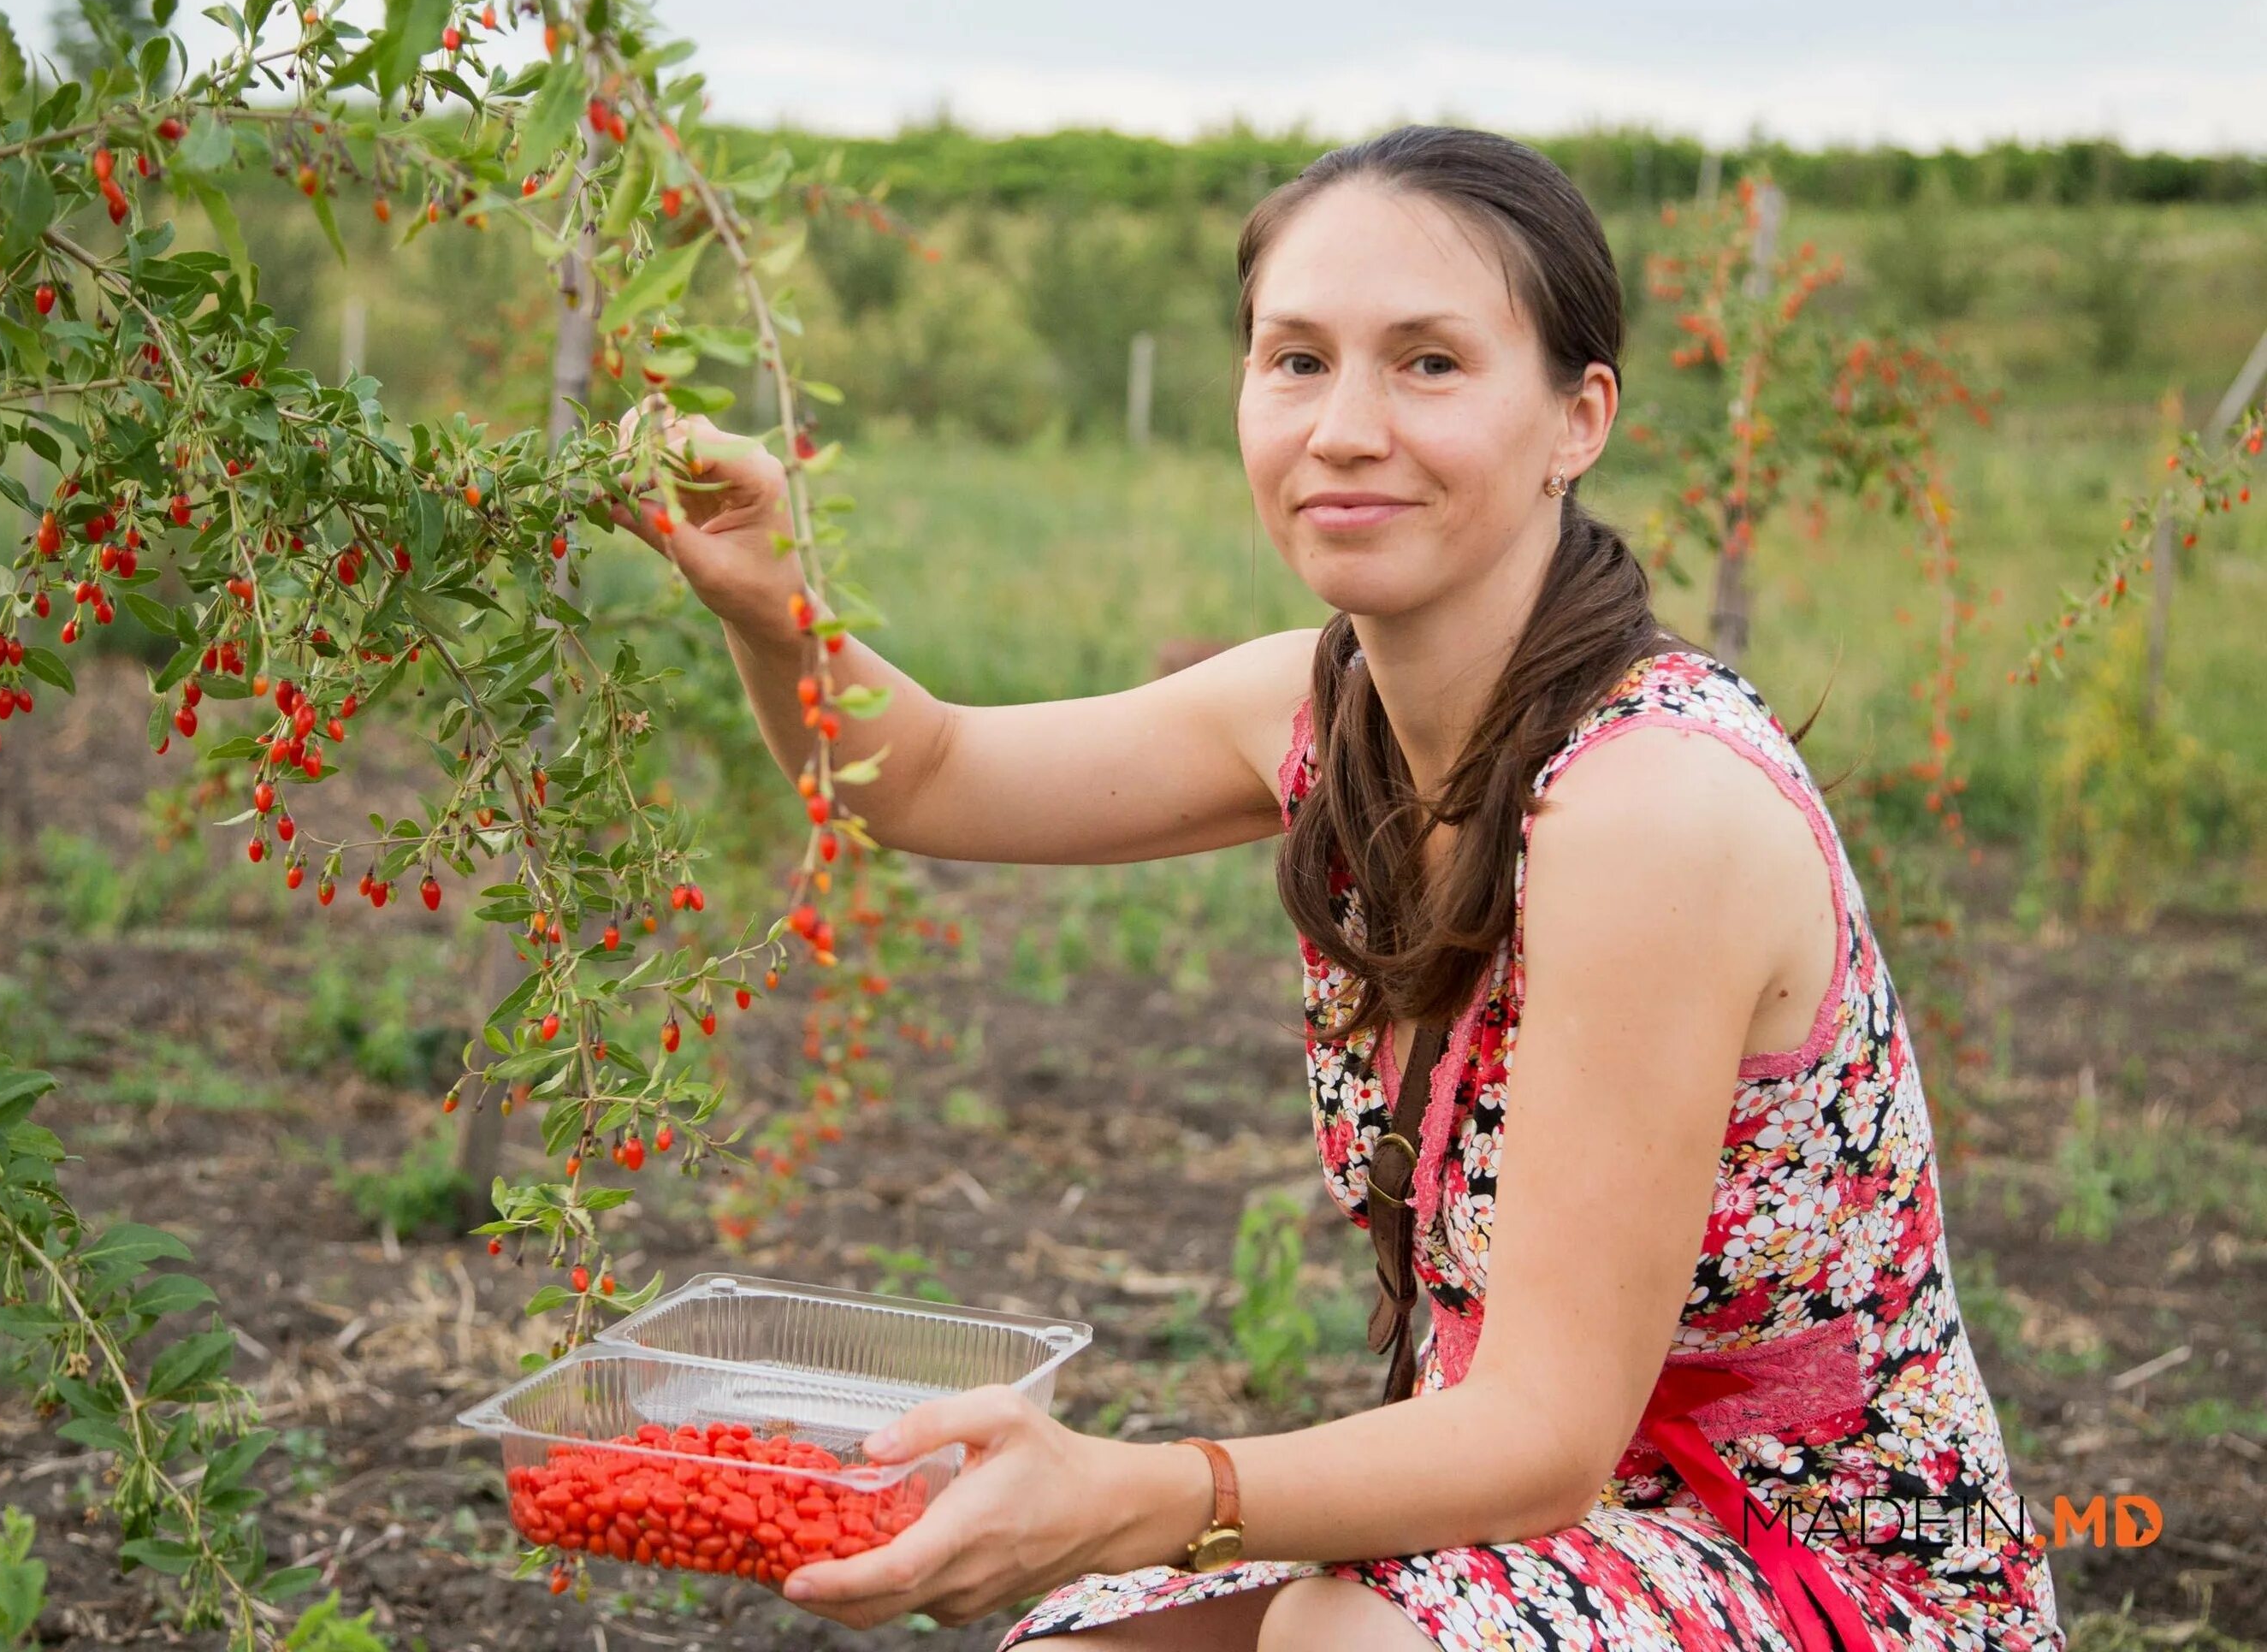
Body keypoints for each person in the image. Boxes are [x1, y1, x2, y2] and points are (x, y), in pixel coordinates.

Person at [608, 125, 2063, 1652]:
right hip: (1560, 1532)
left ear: (1580, 418)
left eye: (1429, 364)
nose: (1345, 427)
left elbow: (1549, 1434)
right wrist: (776, 604)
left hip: (1827, 1571)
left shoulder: (1654, 807)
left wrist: (1135, 1491)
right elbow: (923, 775)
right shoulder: (1325, 715)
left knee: (1344, 1637)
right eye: (1296, 359)